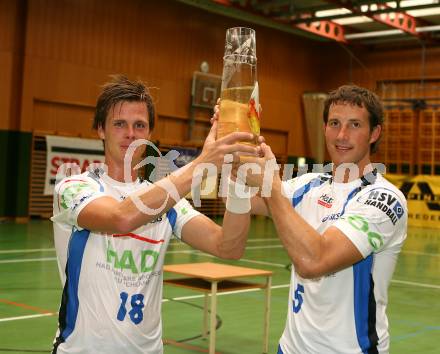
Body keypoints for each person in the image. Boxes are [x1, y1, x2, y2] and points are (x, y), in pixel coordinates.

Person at [51, 75, 257, 354]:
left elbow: (229, 246)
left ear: (148, 134)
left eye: (140, 125)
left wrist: (239, 179)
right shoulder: (74, 187)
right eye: (119, 124)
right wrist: (204, 162)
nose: (130, 134)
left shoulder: (166, 200)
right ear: (101, 129)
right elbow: (121, 217)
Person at [236, 85, 408, 354]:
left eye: (354, 125)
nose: (342, 135)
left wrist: (270, 185)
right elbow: (239, 202)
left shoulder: (385, 199)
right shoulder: (308, 184)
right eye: (334, 123)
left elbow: (314, 261)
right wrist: (234, 145)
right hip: (291, 348)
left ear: (374, 133)